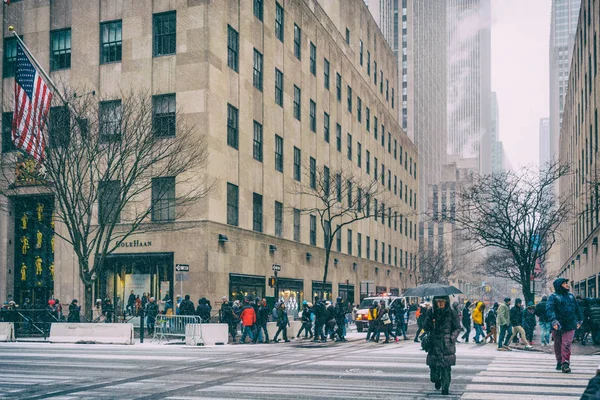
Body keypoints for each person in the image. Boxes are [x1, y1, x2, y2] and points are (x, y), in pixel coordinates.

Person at [423, 296, 462, 396]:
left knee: (446, 369)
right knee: (433, 370)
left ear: (446, 302)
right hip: (434, 344)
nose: (440, 303)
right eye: (438, 301)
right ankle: (437, 380)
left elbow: (457, 328)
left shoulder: (451, 313)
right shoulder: (431, 312)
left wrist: (452, 338)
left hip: (446, 345)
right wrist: (429, 321)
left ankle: (445, 388)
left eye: (442, 301)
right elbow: (425, 327)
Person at [546, 278, 583, 373]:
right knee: (558, 344)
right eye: (565, 283)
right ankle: (559, 361)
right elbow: (550, 309)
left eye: (567, 283)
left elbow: (577, 309)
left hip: (570, 324)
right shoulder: (553, 297)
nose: (567, 285)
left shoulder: (571, 296)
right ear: (559, 285)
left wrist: (579, 319)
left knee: (566, 343)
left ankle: (565, 363)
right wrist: (554, 321)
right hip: (558, 325)